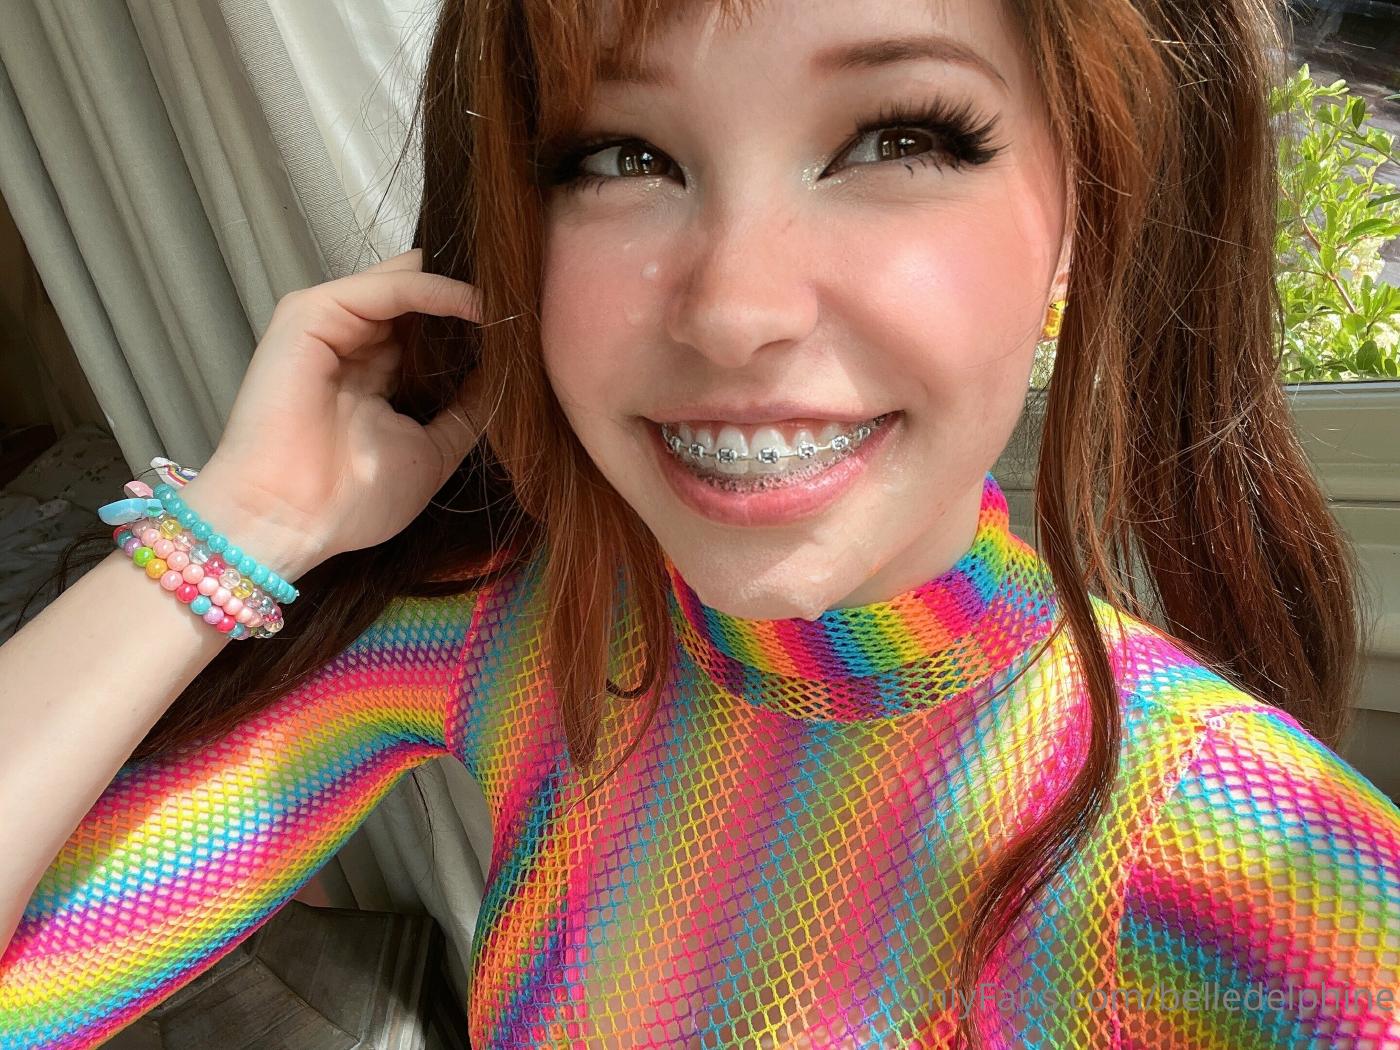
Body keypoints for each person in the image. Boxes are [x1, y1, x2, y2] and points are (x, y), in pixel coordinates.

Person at [1, 0, 1397, 1046]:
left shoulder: (1248, 850)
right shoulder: (515, 623)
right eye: (618, 155)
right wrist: (245, 523)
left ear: (1082, 210)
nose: (733, 309)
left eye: (898, 138)